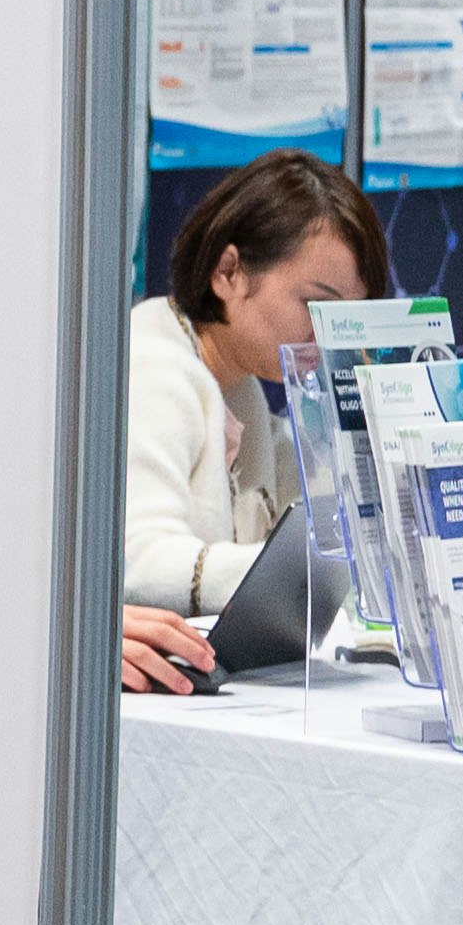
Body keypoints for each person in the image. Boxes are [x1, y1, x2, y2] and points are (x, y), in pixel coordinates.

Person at [118, 149, 385, 689]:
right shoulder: (153, 367)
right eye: (315, 307)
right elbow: (137, 563)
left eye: (346, 319)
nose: (327, 336)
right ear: (229, 271)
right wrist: (291, 576)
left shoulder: (243, 389)